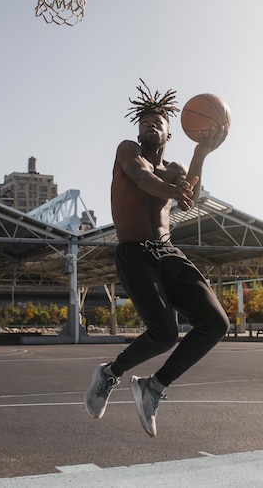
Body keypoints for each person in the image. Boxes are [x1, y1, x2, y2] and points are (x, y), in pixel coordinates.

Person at [84, 79, 230, 437]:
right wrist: (174, 190)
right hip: (135, 253)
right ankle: (110, 374)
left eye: (157, 122)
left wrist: (202, 152)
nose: (149, 125)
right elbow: (142, 178)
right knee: (164, 334)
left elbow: (187, 197)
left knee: (216, 323)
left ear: (169, 132)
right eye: (144, 121)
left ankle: (155, 386)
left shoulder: (177, 168)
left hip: (169, 253)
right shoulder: (127, 151)